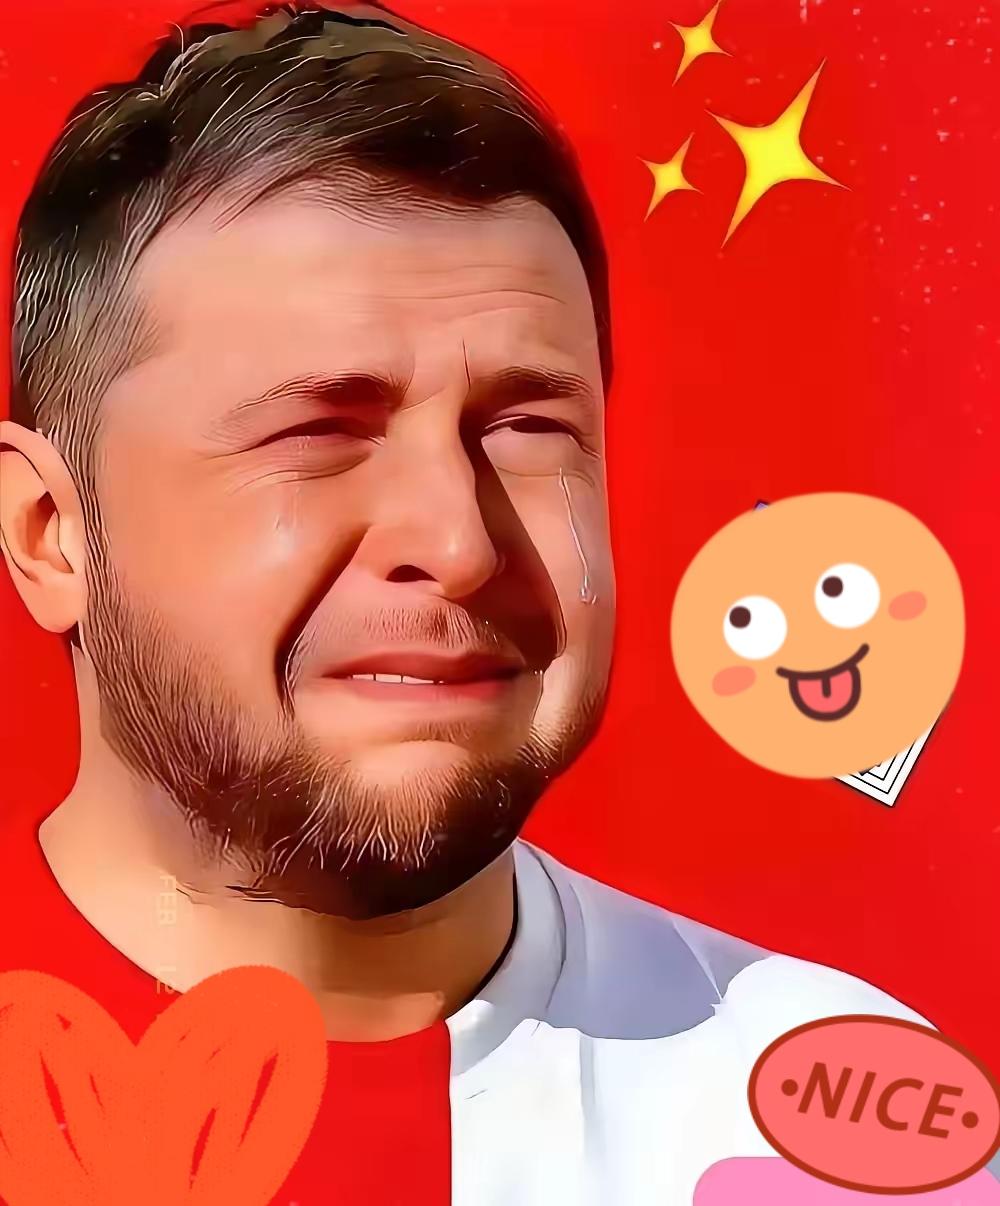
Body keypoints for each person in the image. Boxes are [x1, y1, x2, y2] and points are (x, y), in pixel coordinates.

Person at [0, 5, 930, 1202]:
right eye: (317, 431)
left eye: (525, 427)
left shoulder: (840, 1133)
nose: (456, 541)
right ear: (50, 533)